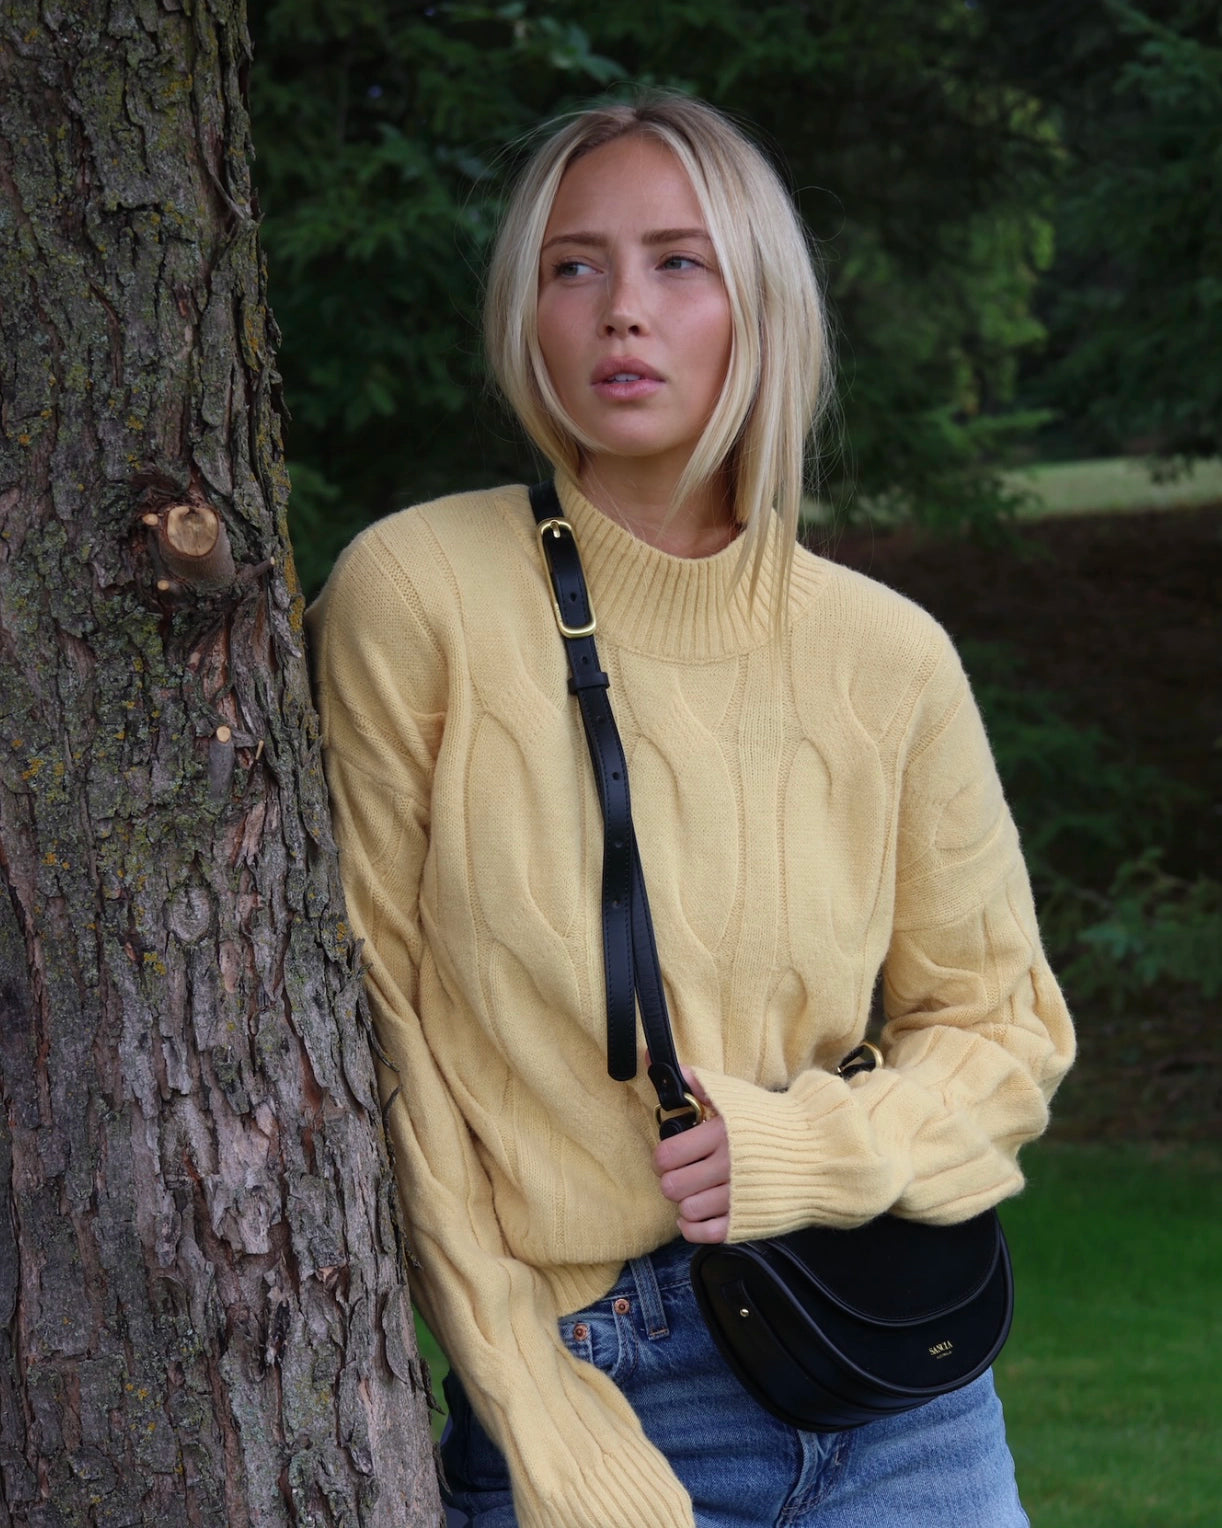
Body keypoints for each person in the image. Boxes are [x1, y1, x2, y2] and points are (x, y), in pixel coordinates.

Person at [306, 92, 1074, 1528]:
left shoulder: (887, 656)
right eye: (573, 265)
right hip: (596, 1375)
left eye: (678, 262)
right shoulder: (416, 596)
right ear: (527, 312)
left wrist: (806, 1149)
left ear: (758, 306)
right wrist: (537, 1405)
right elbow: (378, 1031)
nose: (621, 309)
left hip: (890, 1381)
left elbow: (1003, 1030)